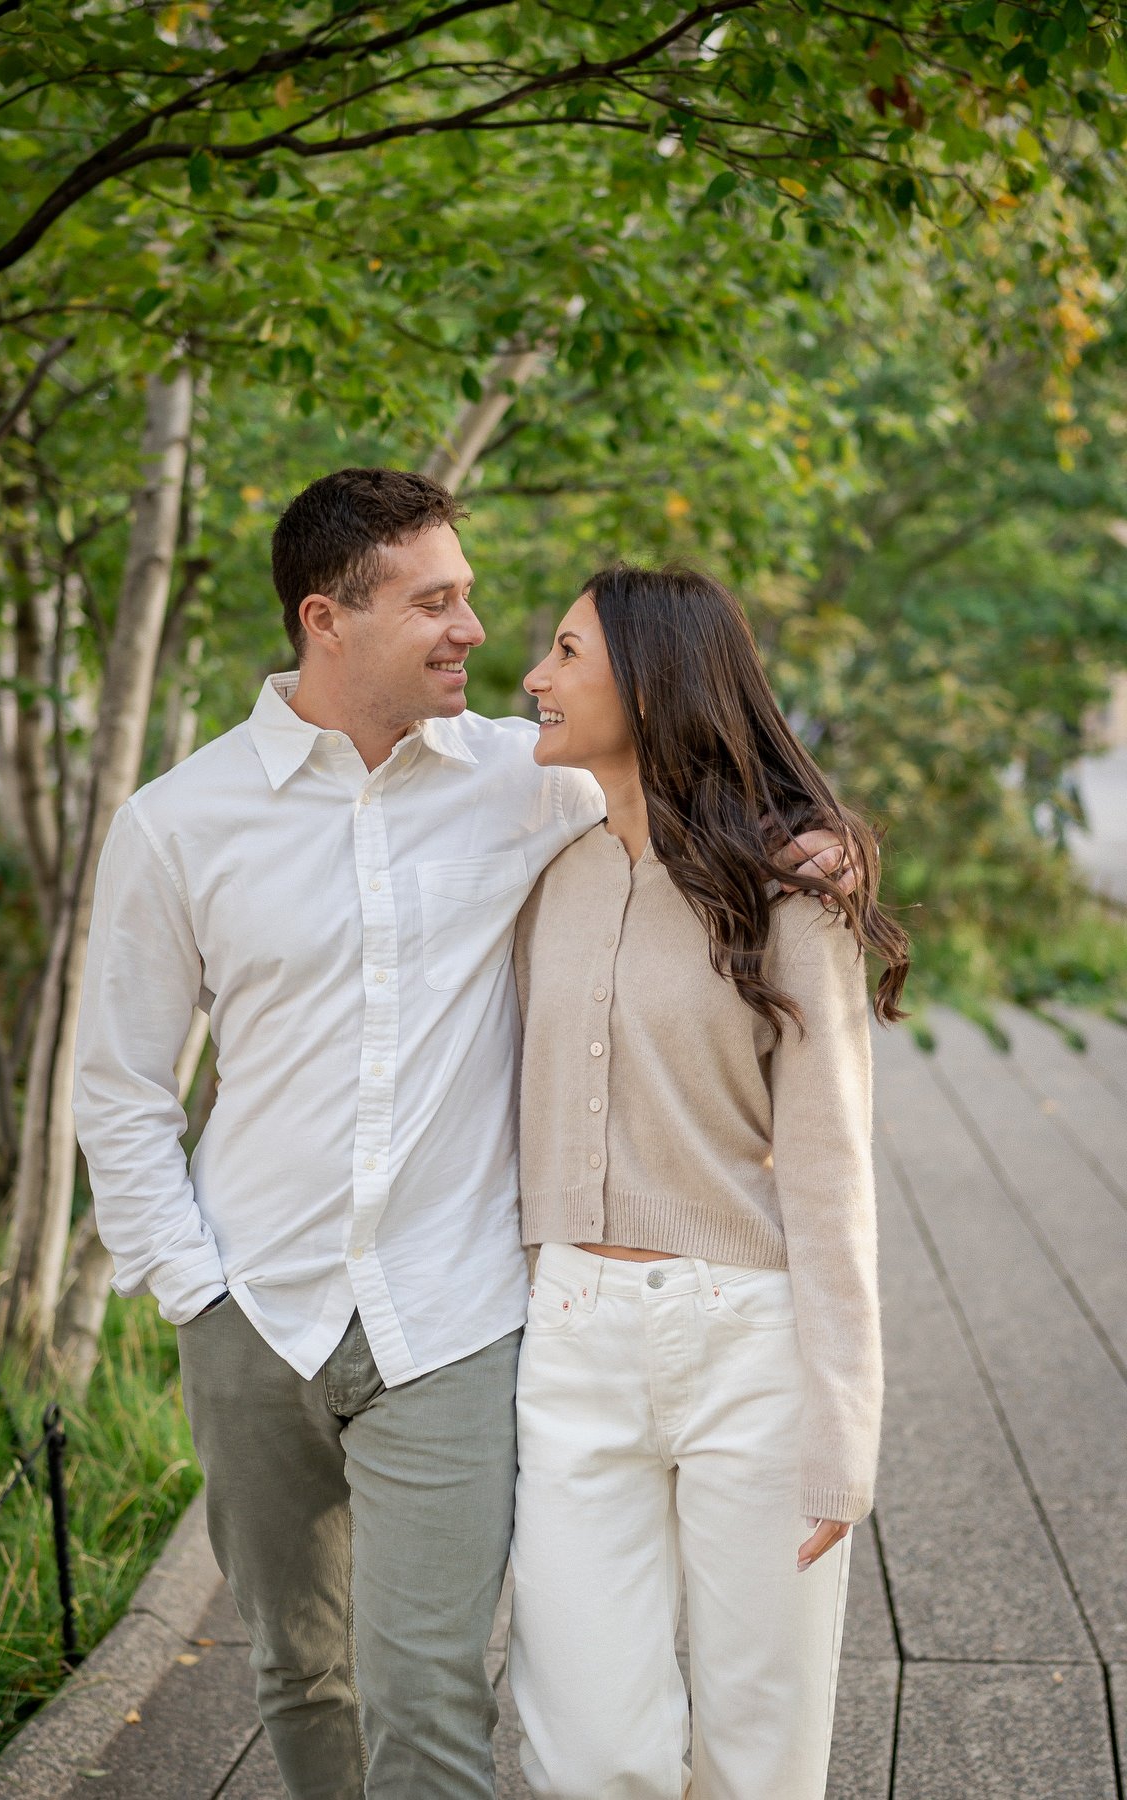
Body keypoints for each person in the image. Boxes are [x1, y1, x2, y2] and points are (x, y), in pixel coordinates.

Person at [72, 471, 857, 1800]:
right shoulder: (176, 826)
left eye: (474, 597)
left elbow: (680, 787)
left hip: (451, 1310)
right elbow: (123, 1088)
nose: (471, 630)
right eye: (435, 602)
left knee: (429, 1684)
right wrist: (190, 1286)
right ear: (328, 618)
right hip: (251, 1306)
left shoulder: (524, 777)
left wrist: (812, 845)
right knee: (297, 1673)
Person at [510, 563, 910, 1800]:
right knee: (591, 1750)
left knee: (759, 1751)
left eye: (566, 652)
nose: (534, 676)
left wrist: (845, 1424)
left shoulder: (790, 891)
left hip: (748, 1341)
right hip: (572, 1340)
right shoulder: (553, 880)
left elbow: (835, 1170)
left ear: (652, 676)